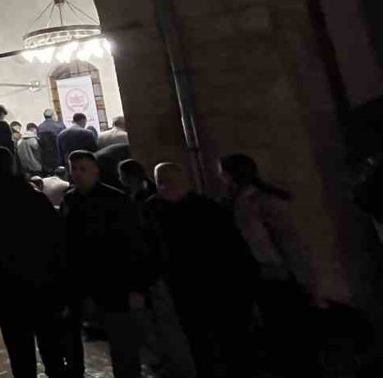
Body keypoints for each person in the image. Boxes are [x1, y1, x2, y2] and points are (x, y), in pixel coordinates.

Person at [0, 147, 70, 378]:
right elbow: (56, 243)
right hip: (41, 286)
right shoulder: (33, 198)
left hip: (4, 291)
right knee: (52, 348)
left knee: (19, 351)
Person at [149, 163, 257, 378]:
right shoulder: (206, 207)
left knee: (203, 339)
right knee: (221, 340)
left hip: (192, 283)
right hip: (208, 282)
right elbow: (234, 248)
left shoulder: (154, 208)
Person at [219, 153, 317, 373]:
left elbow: (281, 243)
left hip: (272, 276)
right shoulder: (254, 200)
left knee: (285, 338)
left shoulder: (251, 203)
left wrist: (302, 279)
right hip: (270, 275)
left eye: (223, 175)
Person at [62, 150, 149, 378]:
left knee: (122, 343)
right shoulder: (71, 200)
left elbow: (133, 244)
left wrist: (136, 285)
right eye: (74, 169)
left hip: (114, 282)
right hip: (84, 281)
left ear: (95, 170)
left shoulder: (115, 200)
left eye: (83, 169)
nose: (78, 174)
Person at [36, 108, 66, 175]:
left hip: (45, 160)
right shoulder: (60, 126)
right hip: (59, 158)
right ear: (53, 115)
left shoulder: (40, 127)